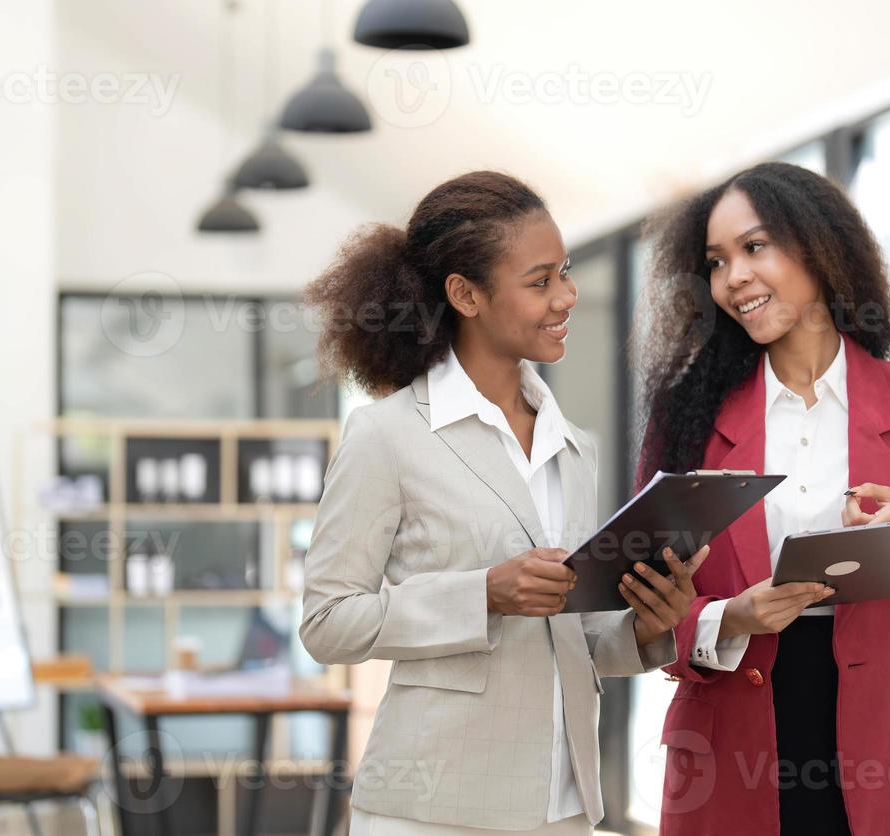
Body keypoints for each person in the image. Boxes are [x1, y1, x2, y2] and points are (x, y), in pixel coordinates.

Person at [299, 171, 707, 834]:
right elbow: (327, 622)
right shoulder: (387, 436)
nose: (567, 296)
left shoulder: (574, 444)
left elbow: (566, 637)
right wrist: (483, 592)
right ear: (465, 294)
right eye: (540, 280)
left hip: (564, 804)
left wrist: (646, 625)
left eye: (566, 274)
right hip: (432, 809)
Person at [634, 162, 890, 836]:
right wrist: (729, 617)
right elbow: (645, 614)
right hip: (726, 752)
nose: (733, 276)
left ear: (821, 248)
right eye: (716, 261)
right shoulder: (685, 416)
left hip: (872, 753)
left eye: (754, 247)